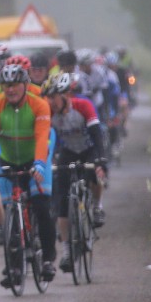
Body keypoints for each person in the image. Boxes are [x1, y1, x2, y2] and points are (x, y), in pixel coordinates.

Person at [0, 62, 57, 286]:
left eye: (14, 84)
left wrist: (40, 163)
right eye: (6, 85)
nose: (10, 89)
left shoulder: (39, 104)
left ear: (25, 85)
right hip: (9, 161)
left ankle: (48, 259)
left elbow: (42, 137)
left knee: (41, 205)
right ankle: (14, 265)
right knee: (10, 211)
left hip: (35, 161)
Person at [43, 72, 108, 272]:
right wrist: (46, 161)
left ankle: (96, 206)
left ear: (65, 95)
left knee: (95, 173)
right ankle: (67, 251)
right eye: (48, 98)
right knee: (62, 202)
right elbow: (45, 140)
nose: (50, 102)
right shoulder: (49, 112)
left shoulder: (83, 106)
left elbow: (97, 135)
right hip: (68, 151)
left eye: (53, 97)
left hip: (89, 149)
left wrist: (100, 160)